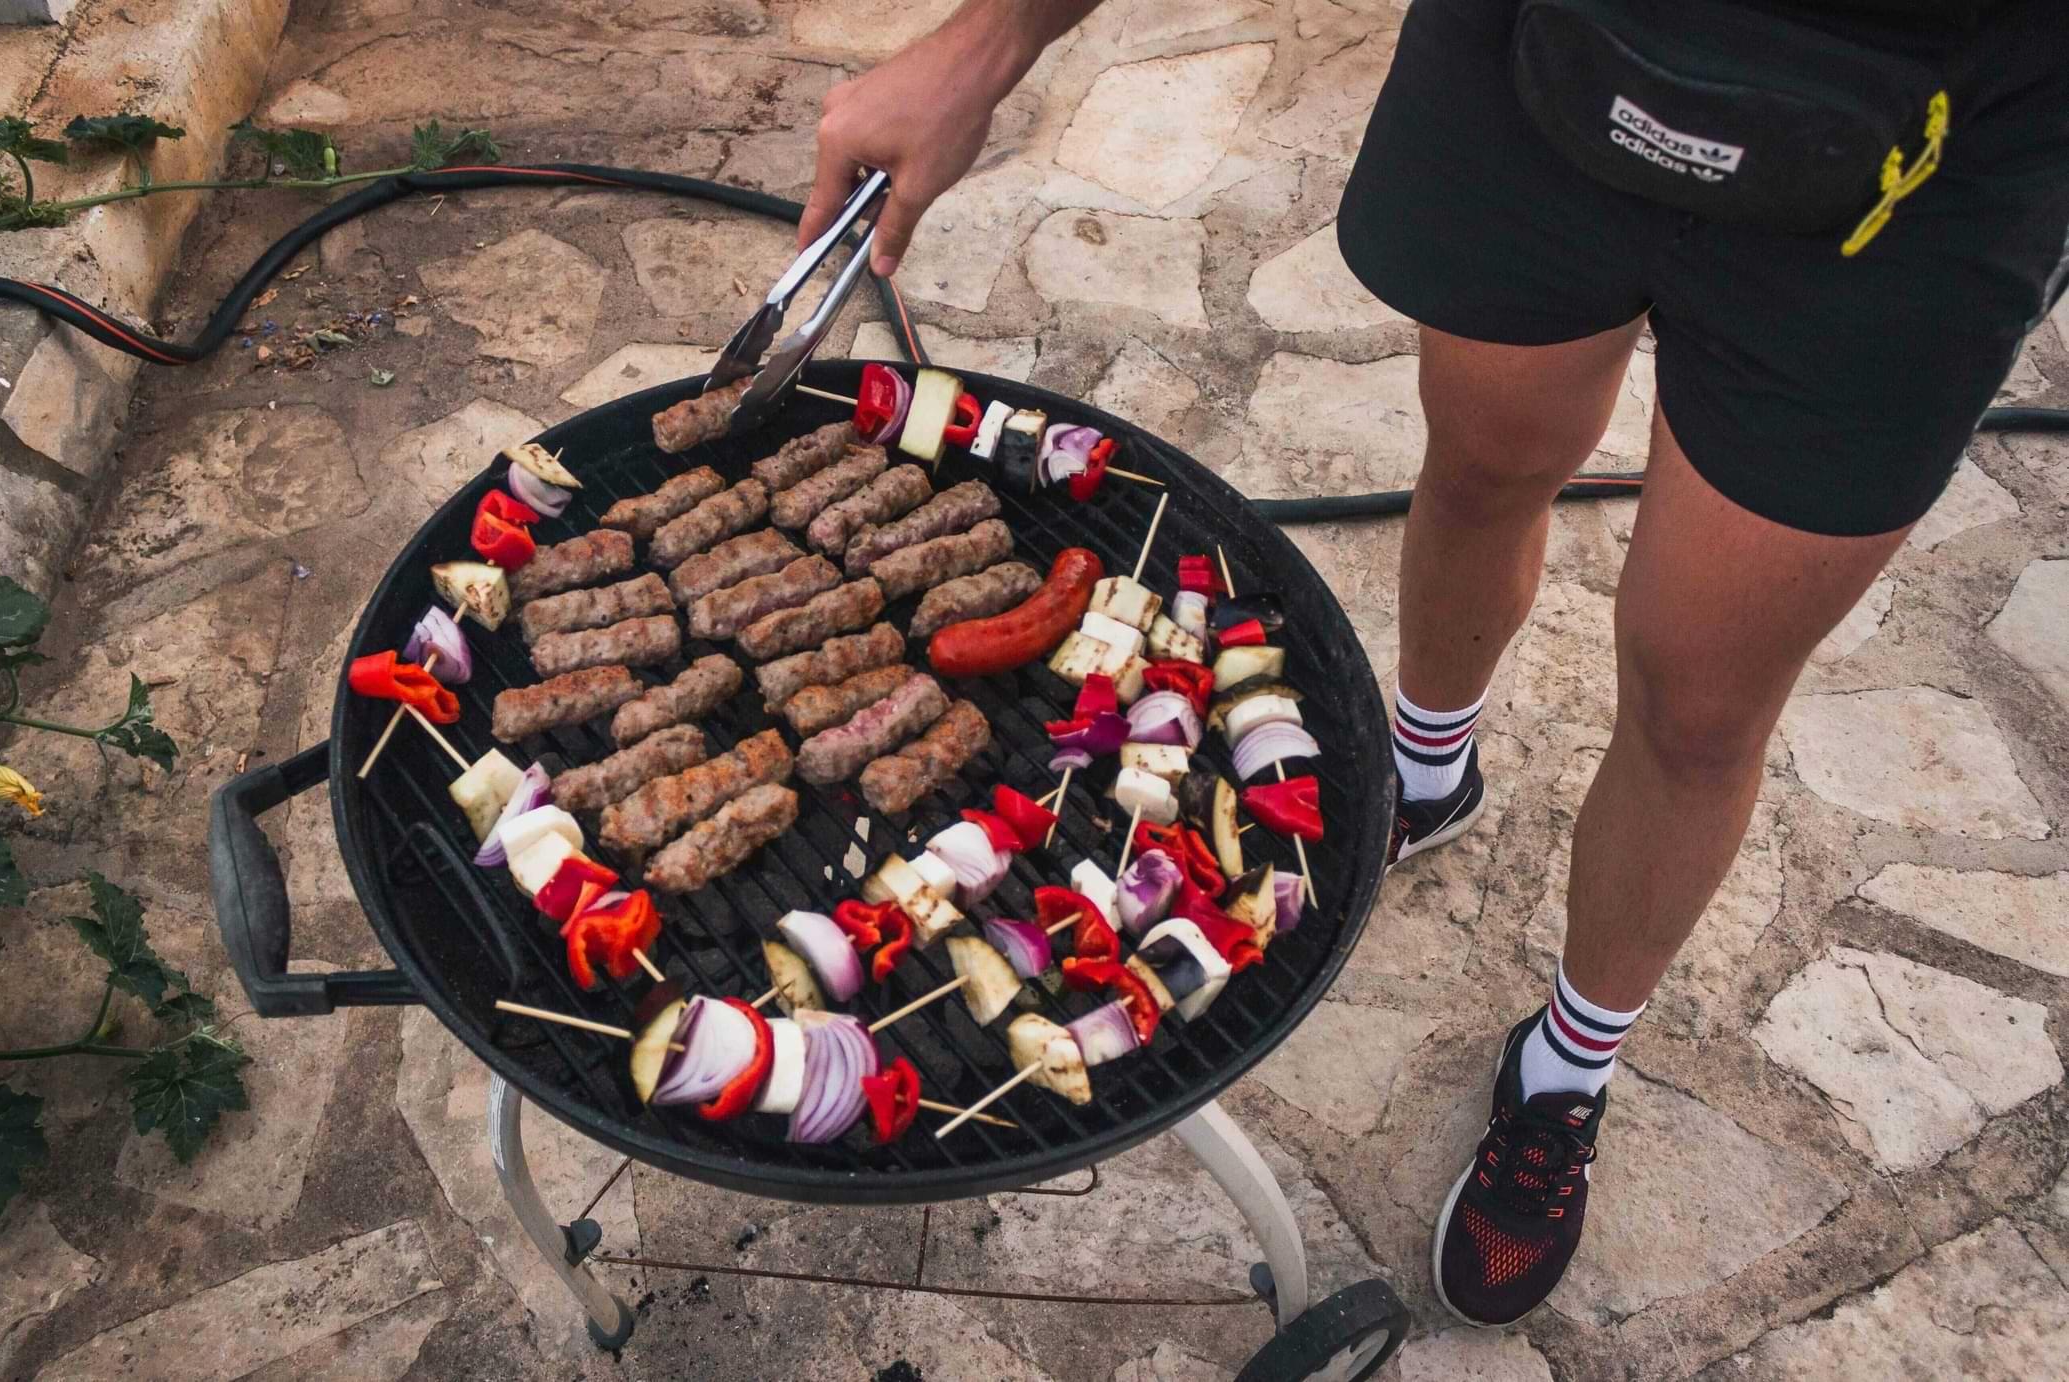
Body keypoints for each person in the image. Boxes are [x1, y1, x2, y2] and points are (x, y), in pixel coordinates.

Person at [797, 0, 2069, 1328]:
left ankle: (1568, 1063)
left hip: (1919, 155)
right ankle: (1425, 763)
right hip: (1552, 56)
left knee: (1700, 701)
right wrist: (991, 39)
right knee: (1480, 470)